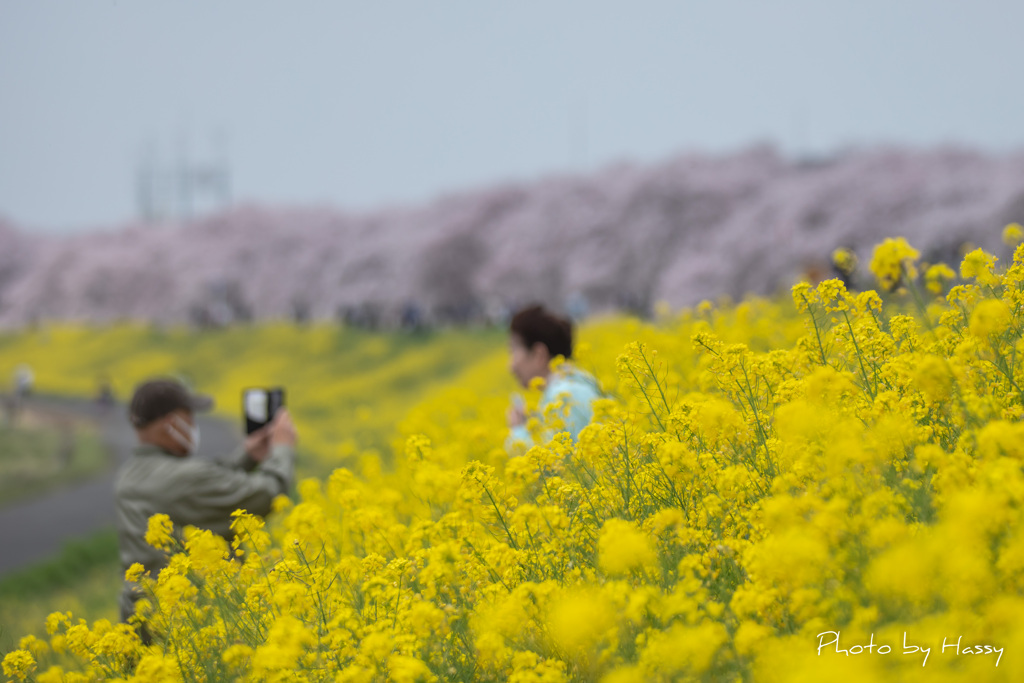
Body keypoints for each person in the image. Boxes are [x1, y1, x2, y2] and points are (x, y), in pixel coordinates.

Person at [115, 378, 297, 628]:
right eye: (189, 416)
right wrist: (282, 448)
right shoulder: (187, 478)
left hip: (143, 620)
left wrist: (247, 456)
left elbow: (200, 485)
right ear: (171, 424)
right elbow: (267, 493)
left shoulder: (129, 477)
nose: (193, 425)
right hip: (191, 621)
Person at [506, 305, 600, 449]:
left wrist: (519, 432)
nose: (510, 366)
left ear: (539, 354)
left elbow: (553, 465)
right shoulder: (578, 382)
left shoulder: (564, 396)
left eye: (513, 351)